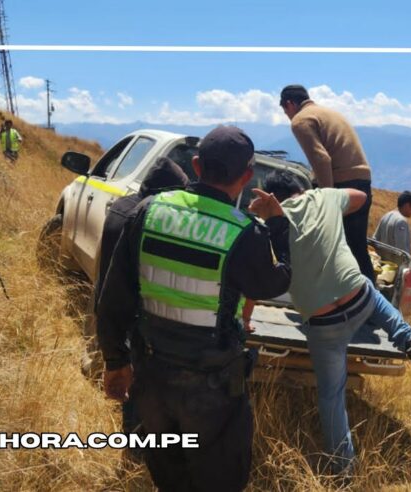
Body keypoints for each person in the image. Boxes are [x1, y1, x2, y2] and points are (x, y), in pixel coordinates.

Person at [96, 126, 292, 491]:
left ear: (197, 166)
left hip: (151, 379)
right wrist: (278, 225)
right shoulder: (244, 232)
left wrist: (114, 361)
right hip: (212, 391)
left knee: (169, 476)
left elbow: (113, 297)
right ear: (247, 176)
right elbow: (274, 283)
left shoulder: (147, 211)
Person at [260, 171, 411, 476]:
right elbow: (361, 198)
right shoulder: (324, 197)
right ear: (302, 188)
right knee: (369, 289)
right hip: (358, 301)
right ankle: (408, 339)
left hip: (323, 322)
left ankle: (343, 467)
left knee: (331, 396)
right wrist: (328, 199)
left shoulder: (269, 223)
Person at [91, 157, 189, 437]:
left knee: (121, 370)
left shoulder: (121, 206)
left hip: (108, 300)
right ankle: (135, 442)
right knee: (136, 382)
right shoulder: (148, 219)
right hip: (133, 310)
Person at [281, 84, 376, 280]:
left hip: (341, 183)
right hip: (362, 182)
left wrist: (327, 201)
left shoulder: (301, 120)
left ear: (289, 104)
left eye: (285, 111)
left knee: (330, 247)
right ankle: (370, 294)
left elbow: (321, 159)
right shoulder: (329, 113)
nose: (287, 116)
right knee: (356, 248)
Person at [374, 190, 411, 256]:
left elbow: (375, 239)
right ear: (407, 205)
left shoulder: (386, 215)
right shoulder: (401, 221)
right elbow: (402, 250)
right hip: (394, 262)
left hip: (382, 260)